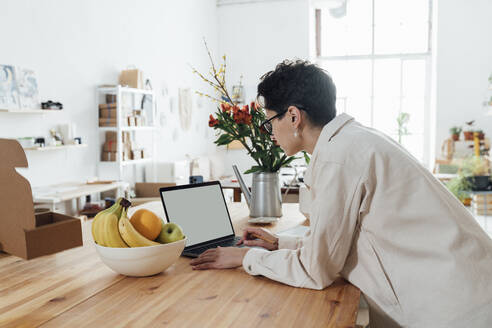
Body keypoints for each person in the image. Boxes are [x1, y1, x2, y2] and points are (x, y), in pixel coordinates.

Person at [190, 60, 492, 327]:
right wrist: (281, 242)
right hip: (468, 289)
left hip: (457, 308)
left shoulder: (339, 158)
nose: (270, 133)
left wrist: (246, 258)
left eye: (271, 121)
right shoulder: (352, 141)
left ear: (294, 117)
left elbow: (315, 271)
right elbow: (346, 240)